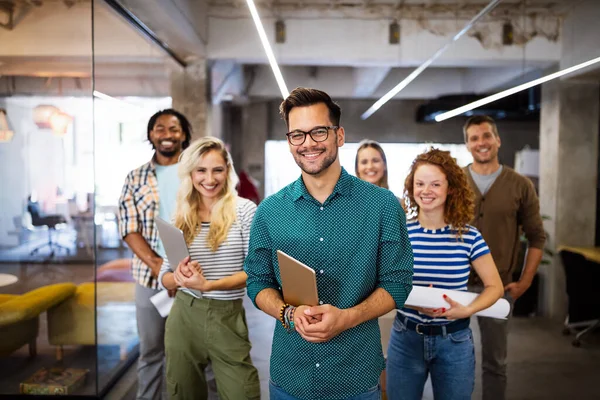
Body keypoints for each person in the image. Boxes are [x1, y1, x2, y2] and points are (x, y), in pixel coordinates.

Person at [244, 87, 414, 400]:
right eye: (297, 134)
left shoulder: (382, 206)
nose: (308, 143)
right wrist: (288, 314)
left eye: (318, 131)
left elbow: (398, 284)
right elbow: (258, 282)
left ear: (339, 135)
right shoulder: (270, 211)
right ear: (289, 142)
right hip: (290, 376)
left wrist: (348, 318)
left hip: (356, 376)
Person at [387, 148, 504, 400]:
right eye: (419, 183)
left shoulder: (469, 236)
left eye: (435, 184)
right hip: (405, 338)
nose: (426, 191)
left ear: (450, 188)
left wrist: (466, 310)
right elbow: (384, 282)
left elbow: (495, 287)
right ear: (411, 187)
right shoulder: (400, 232)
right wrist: (408, 298)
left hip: (454, 341)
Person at [158, 136, 260, 400]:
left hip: (227, 315)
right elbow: (164, 277)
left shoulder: (245, 210)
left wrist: (209, 285)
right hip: (184, 315)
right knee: (183, 393)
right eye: (201, 170)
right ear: (190, 173)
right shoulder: (180, 214)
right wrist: (178, 278)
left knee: (242, 392)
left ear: (228, 170)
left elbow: (256, 272)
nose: (209, 179)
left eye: (217, 169)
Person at [462, 116, 546, 400]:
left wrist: (524, 282)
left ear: (498, 140)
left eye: (486, 136)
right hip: (454, 284)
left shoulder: (520, 185)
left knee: (495, 363)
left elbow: (537, 237)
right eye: (474, 138)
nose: (481, 143)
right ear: (467, 145)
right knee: (451, 359)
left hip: (497, 286)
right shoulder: (454, 181)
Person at [118, 109, 191, 400]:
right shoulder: (135, 177)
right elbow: (128, 227)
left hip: (195, 277)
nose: (167, 134)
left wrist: (181, 274)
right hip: (149, 279)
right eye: (159, 128)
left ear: (184, 134)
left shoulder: (197, 172)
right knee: (150, 351)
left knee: (196, 352)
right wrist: (162, 270)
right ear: (151, 135)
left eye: (174, 128)